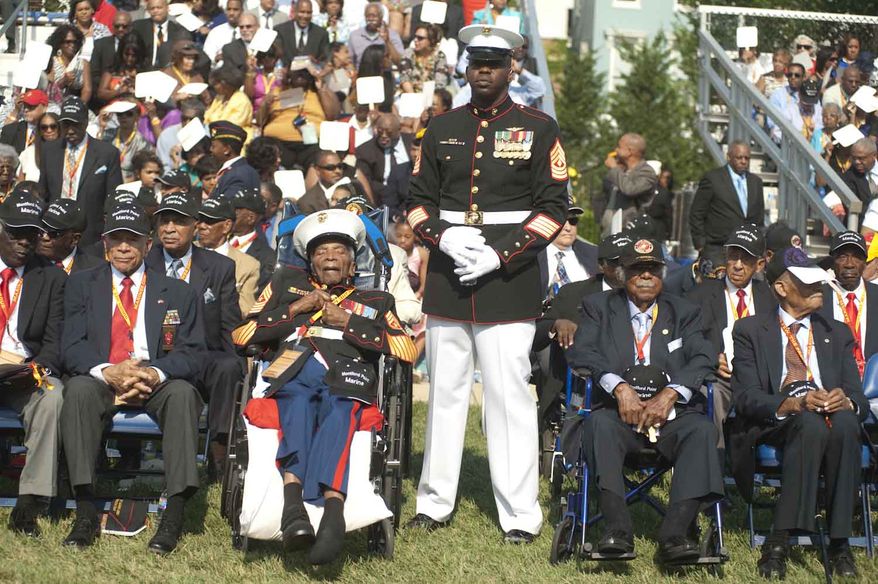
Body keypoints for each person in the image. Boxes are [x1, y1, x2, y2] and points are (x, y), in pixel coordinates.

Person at [406, 24, 568, 544]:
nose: (484, 70)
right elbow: (416, 202)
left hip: (509, 279)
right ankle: (433, 502)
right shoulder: (441, 126)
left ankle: (519, 514)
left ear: (512, 68)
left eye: (494, 63)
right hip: (450, 276)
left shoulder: (539, 128)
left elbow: (553, 210)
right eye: (476, 61)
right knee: (445, 395)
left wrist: (500, 254)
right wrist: (442, 238)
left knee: (506, 398)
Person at [230, 208, 416, 565]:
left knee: (341, 408)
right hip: (292, 372)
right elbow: (242, 335)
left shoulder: (376, 301)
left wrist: (347, 321)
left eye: (339, 251)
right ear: (310, 262)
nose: (330, 256)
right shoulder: (285, 284)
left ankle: (333, 514)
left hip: (347, 377)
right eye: (321, 251)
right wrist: (299, 307)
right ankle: (293, 507)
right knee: (296, 404)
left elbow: (405, 348)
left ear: (352, 263)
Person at [59, 202, 206, 554]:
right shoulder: (81, 285)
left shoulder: (179, 292)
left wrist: (153, 373)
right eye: (117, 240)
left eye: (132, 240)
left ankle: (174, 514)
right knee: (77, 390)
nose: (124, 247)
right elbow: (71, 346)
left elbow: (195, 352)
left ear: (148, 246)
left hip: (155, 379)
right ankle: (85, 509)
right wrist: (108, 372)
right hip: (102, 377)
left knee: (184, 394)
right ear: (105, 245)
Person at [567, 237, 723, 564]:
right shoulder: (600, 307)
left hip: (671, 417)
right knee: (598, 425)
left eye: (653, 268)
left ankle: (675, 535)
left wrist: (671, 394)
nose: (646, 276)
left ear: (663, 273)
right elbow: (583, 351)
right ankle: (617, 531)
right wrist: (619, 388)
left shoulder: (685, 312)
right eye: (638, 269)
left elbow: (703, 358)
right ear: (624, 273)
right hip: (618, 414)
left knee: (702, 431)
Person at [730, 246, 868, 579]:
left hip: (831, 418)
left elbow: (857, 396)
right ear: (781, 288)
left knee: (847, 422)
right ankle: (781, 539)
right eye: (806, 283)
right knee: (810, 423)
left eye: (818, 281)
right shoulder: (750, 330)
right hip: (778, 419)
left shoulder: (837, 332)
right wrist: (792, 403)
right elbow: (746, 397)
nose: (817, 288)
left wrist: (846, 401)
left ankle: (839, 542)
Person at [145, 192, 242, 476]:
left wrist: (238, 358)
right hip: (153, 355)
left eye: (179, 221)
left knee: (228, 365)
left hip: (201, 354)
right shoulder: (143, 262)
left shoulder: (219, 267)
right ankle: (128, 454)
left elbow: (229, 324)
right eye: (164, 221)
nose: (170, 228)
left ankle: (219, 451)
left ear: (196, 225)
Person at [0, 189, 68, 538]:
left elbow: (55, 341)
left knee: (52, 395)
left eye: (31, 234)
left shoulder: (52, 276)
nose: (24, 242)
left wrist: (36, 370)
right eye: (15, 233)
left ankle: (29, 503)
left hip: (23, 372)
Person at [685, 225, 775, 447]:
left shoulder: (771, 299)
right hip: (719, 378)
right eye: (733, 256)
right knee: (711, 395)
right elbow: (688, 338)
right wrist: (712, 358)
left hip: (759, 381)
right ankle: (712, 469)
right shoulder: (700, 295)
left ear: (760, 264)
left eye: (745, 259)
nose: (737, 264)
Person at [38, 97, 123, 246]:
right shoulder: (49, 150)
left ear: (86, 122)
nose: (70, 130)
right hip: (55, 230)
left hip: (90, 233)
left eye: (75, 124)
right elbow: (43, 192)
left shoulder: (107, 153)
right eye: (66, 124)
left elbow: (113, 198)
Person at [817, 231, 878, 378]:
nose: (849, 264)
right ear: (832, 261)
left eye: (857, 257)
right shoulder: (817, 299)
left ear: (865, 262)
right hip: (834, 389)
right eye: (842, 256)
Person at [258, 65, 340, 170]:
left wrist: (321, 87)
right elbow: (260, 120)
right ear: (289, 74)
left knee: (320, 160)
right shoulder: (278, 91)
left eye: (305, 72)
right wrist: (265, 103)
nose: (301, 74)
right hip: (278, 142)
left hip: (311, 144)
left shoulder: (318, 93)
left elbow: (332, 115)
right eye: (297, 71)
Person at [689, 141, 764, 252]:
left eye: (747, 158)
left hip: (746, 249)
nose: (743, 161)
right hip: (717, 247)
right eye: (739, 158)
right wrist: (700, 244)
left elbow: (759, 217)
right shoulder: (713, 179)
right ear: (729, 157)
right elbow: (697, 213)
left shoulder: (756, 182)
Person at [197, 197, 260, 314]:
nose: (201, 226)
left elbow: (245, 311)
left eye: (209, 221)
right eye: (200, 220)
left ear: (227, 226)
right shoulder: (186, 252)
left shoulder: (248, 266)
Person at [599, 133, 657, 238]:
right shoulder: (622, 170)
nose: (616, 150)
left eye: (619, 147)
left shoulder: (646, 172)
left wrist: (614, 168)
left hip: (630, 232)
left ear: (630, 151)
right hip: (609, 232)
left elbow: (630, 189)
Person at [538, 206, 597, 300]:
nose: (568, 228)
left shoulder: (594, 253)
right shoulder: (533, 256)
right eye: (561, 221)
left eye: (572, 221)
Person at [355, 114, 411, 206]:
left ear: (399, 129)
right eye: (380, 131)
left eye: (389, 132)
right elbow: (365, 182)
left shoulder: (412, 142)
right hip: (383, 200)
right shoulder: (365, 151)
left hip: (411, 194)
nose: (384, 135)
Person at [37, 199, 105, 274]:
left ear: (75, 239)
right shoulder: (30, 264)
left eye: (53, 233)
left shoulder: (96, 270)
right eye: (41, 229)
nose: (44, 237)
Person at [231, 187, 276, 288]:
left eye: (235, 213)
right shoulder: (219, 241)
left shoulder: (266, 257)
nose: (229, 215)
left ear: (250, 218)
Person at [98, 100, 153, 182]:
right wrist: (102, 127)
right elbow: (97, 152)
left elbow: (142, 171)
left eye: (129, 114)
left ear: (137, 117)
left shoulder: (142, 142)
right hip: (106, 178)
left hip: (128, 184)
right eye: (120, 114)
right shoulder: (109, 134)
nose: (124, 117)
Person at [88, 10, 132, 108]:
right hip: (104, 99)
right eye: (117, 26)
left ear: (130, 26)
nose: (120, 29)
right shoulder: (101, 44)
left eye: (124, 26)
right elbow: (94, 73)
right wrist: (112, 88)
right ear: (112, 26)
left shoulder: (137, 43)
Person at [132, 0, 192, 70]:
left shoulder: (178, 30)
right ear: (148, 11)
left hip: (170, 71)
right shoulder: (139, 27)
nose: (155, 11)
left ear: (167, 9)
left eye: (159, 8)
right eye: (152, 8)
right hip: (144, 70)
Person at [209, 121, 260, 197]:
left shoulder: (238, 174)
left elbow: (228, 206)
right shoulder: (233, 171)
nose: (210, 150)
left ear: (226, 149)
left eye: (213, 146)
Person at [45, 24, 92, 107]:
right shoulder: (52, 61)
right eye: (68, 42)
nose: (72, 45)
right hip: (54, 105)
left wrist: (79, 106)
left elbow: (87, 90)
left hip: (77, 105)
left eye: (75, 42)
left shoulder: (83, 62)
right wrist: (64, 81)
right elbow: (48, 88)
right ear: (59, 43)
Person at [205, 65, 254, 143]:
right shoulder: (219, 97)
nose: (214, 87)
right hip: (214, 136)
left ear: (225, 84)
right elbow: (207, 115)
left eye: (216, 84)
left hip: (235, 141)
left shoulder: (241, 101)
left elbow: (230, 127)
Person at [347, 1, 402, 68]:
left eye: (374, 16)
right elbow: (349, 62)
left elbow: (399, 61)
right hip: (362, 75)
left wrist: (387, 41)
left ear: (381, 17)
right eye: (368, 16)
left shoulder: (392, 35)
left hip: (384, 75)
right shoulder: (354, 36)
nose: (371, 19)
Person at [275, 0, 331, 66]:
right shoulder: (280, 31)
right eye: (302, 12)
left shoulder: (322, 34)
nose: (305, 16)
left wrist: (316, 62)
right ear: (295, 12)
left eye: (308, 13)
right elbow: (278, 57)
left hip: (311, 75)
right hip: (287, 74)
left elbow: (325, 59)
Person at [399, 24, 449, 93]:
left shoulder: (440, 57)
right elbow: (405, 79)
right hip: (409, 95)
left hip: (432, 96)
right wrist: (415, 98)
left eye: (420, 38)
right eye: (415, 37)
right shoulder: (409, 53)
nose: (415, 40)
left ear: (431, 40)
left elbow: (440, 84)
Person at [16, 112, 61, 183]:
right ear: (40, 130)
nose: (49, 130)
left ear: (59, 128)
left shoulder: (67, 151)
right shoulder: (29, 152)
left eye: (53, 126)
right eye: (44, 127)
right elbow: (20, 184)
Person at [1, 89, 49, 155]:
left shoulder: (53, 132)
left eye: (31, 106)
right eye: (25, 105)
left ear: (44, 108)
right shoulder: (10, 130)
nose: (26, 109)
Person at [243, 41, 284, 110]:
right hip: (257, 113)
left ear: (276, 57)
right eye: (263, 55)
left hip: (276, 111)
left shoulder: (281, 74)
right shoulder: (254, 74)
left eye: (270, 55)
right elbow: (248, 95)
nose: (267, 58)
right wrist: (250, 71)